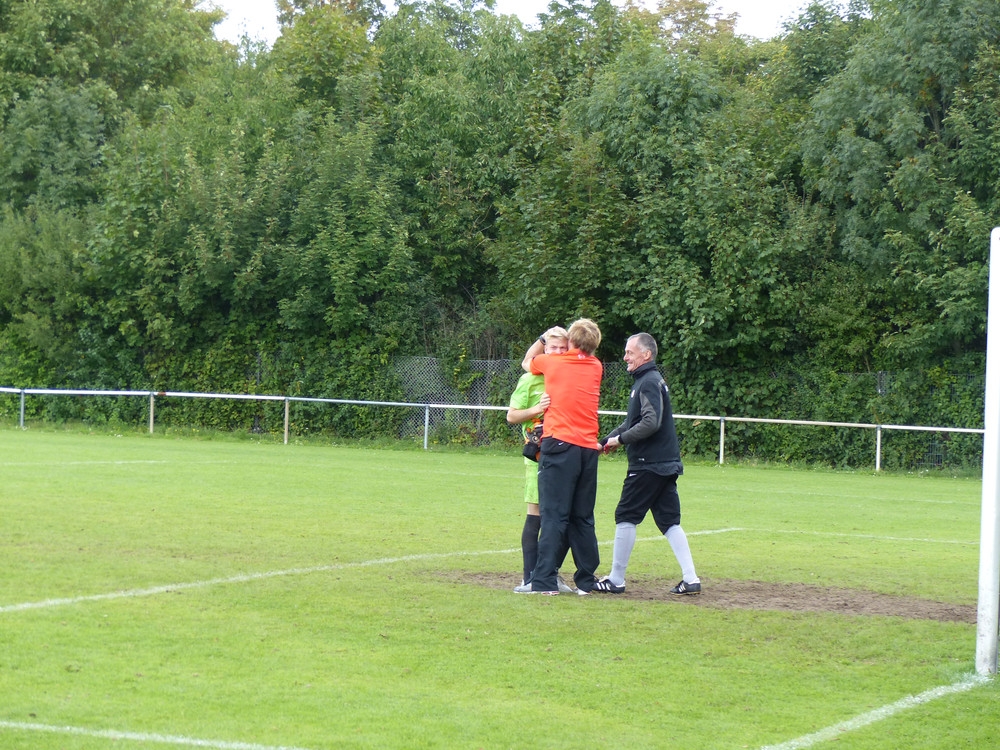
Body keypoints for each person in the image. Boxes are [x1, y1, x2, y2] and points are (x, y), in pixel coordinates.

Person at [593, 332, 700, 596]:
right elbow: (632, 423)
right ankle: (691, 579)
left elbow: (650, 422)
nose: (625, 357)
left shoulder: (648, 382)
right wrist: (606, 441)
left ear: (646, 355)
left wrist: (620, 440)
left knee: (626, 515)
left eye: (630, 352)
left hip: (647, 464)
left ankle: (616, 580)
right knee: (669, 521)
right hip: (664, 463)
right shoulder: (648, 380)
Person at [514, 318, 603, 596]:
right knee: (583, 517)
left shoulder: (554, 363)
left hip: (560, 445)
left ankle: (542, 581)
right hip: (588, 449)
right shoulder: (596, 366)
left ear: (571, 342)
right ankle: (586, 581)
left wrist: (543, 339)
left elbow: (527, 361)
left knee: (553, 515)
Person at [506, 326, 573, 593]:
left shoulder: (570, 375)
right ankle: (529, 577)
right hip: (537, 456)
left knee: (564, 517)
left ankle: (550, 573)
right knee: (536, 515)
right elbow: (512, 416)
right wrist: (537, 408)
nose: (557, 352)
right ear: (545, 350)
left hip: (565, 454)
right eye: (552, 348)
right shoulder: (530, 378)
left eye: (562, 348)